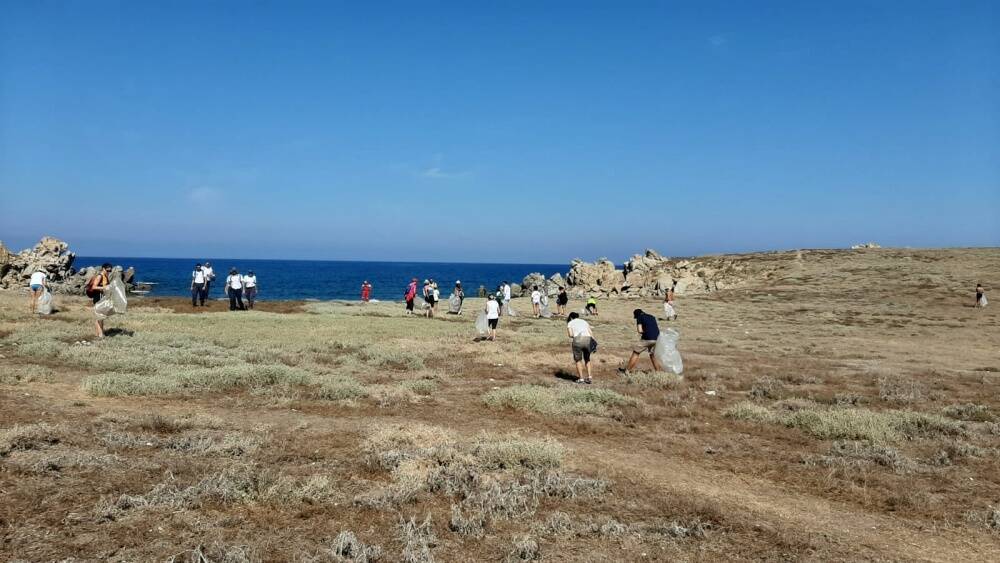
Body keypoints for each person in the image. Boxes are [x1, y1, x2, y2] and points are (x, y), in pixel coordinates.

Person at [621, 308, 662, 374]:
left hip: (647, 338)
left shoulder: (639, 317)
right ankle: (658, 372)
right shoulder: (652, 317)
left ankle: (627, 371)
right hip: (657, 338)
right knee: (652, 355)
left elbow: (639, 330)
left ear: (636, 315)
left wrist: (644, 332)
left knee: (636, 352)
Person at [566, 312, 594, 384]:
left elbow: (570, 335)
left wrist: (576, 335)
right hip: (588, 339)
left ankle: (581, 378)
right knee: (587, 359)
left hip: (578, 340)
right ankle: (589, 377)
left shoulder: (570, 323)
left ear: (571, 317)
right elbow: (590, 333)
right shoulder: (584, 321)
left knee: (578, 360)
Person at [86, 263, 112, 338]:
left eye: (110, 270)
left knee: (101, 316)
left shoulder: (105, 276)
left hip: (102, 297)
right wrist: (104, 288)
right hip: (98, 298)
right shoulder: (99, 276)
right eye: (107, 270)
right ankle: (100, 334)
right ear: (103, 268)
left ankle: (100, 333)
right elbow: (94, 287)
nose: (108, 272)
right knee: (99, 316)